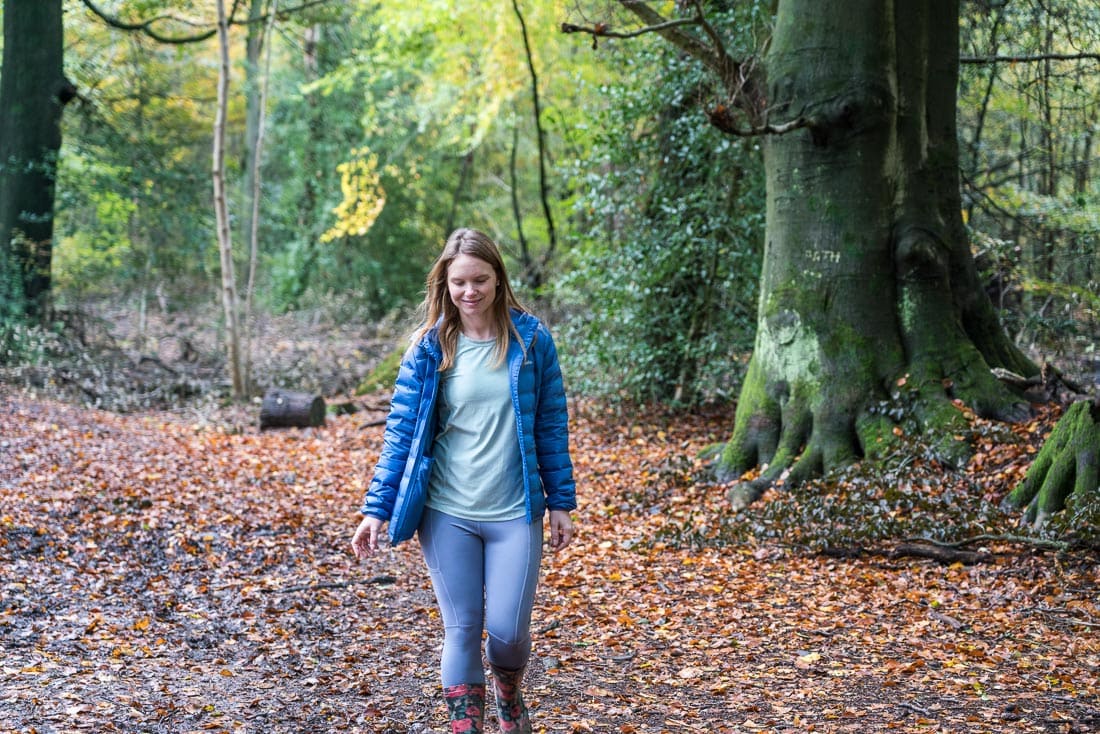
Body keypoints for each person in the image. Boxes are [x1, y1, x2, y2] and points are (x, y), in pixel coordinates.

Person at [351, 228, 577, 734]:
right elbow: (401, 435)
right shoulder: (430, 348)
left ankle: (508, 692)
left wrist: (560, 501)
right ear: (444, 285)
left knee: (508, 633)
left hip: (515, 512)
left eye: (480, 279)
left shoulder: (532, 341)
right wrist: (376, 508)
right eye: (459, 282)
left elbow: (550, 425)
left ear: (498, 279)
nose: (469, 291)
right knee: (462, 628)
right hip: (446, 512)